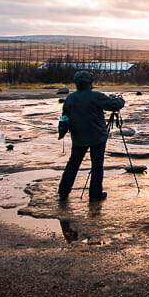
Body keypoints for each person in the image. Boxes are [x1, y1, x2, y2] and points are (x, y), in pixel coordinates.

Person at [57, 71, 125, 202]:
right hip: (97, 137)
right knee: (97, 165)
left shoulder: (70, 98)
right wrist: (120, 99)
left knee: (73, 164)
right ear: (90, 83)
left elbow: (64, 116)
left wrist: (62, 130)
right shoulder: (96, 96)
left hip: (78, 137)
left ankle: (63, 192)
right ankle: (95, 194)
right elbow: (113, 105)